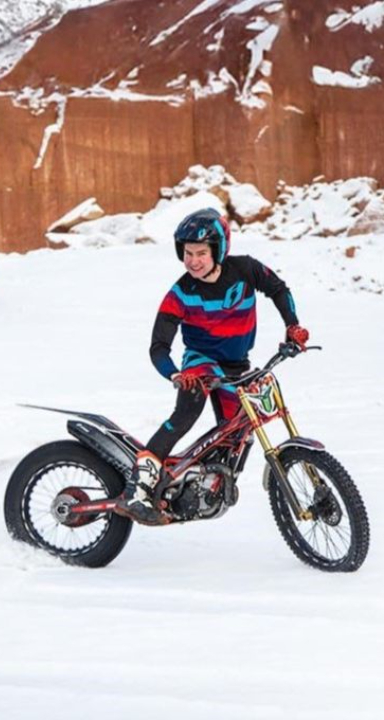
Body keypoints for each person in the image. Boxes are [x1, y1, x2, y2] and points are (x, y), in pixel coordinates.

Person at [114, 207, 309, 525]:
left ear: (219, 250)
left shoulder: (246, 270)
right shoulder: (181, 293)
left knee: (238, 431)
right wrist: (176, 374)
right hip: (200, 363)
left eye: (201, 253)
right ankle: (137, 491)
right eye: (187, 253)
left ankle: (204, 484)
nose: (193, 261)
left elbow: (278, 289)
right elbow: (159, 346)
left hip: (238, 365)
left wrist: (293, 326)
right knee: (186, 414)